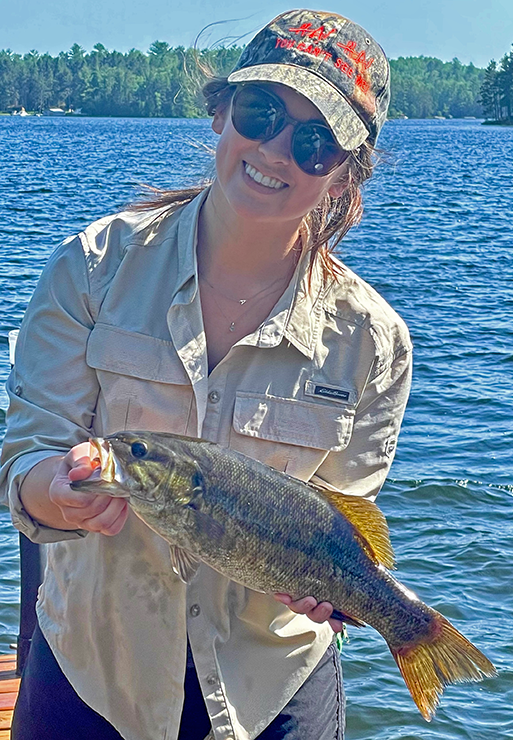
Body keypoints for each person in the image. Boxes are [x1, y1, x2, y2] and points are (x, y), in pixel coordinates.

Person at [0, 9, 412, 740]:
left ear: (345, 172)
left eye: (316, 142)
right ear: (222, 111)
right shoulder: (93, 267)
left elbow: (346, 519)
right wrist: (56, 493)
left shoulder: (373, 341)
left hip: (272, 693)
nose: (278, 151)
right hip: (93, 673)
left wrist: (337, 596)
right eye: (262, 114)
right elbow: (25, 453)